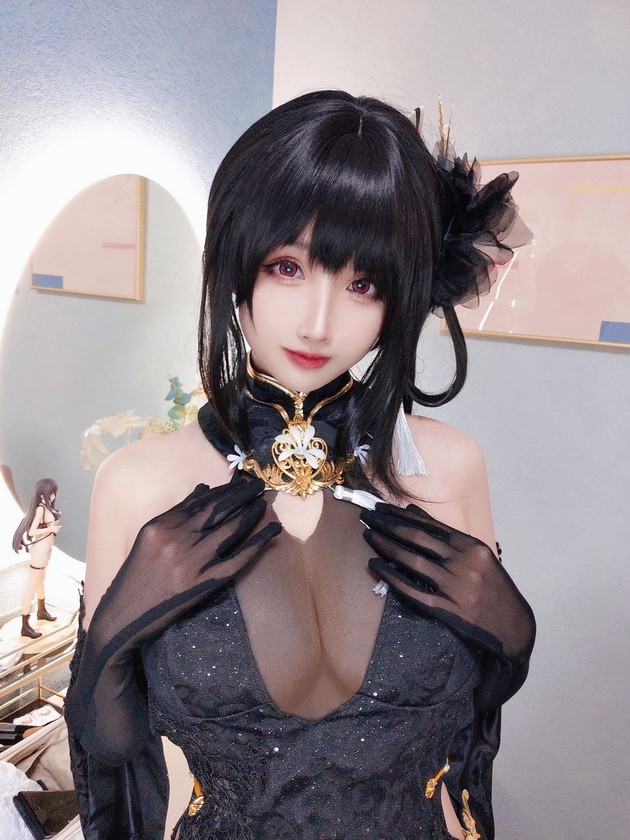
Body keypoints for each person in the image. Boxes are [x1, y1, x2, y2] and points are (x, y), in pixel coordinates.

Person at [64, 90, 535, 840]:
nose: (319, 323)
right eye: (288, 267)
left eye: (363, 285)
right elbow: (113, 752)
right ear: (236, 264)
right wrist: (113, 639)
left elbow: (462, 735)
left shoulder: (449, 467)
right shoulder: (137, 485)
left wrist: (512, 643)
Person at [12, 477, 61, 638]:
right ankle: (25, 625)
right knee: (32, 585)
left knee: (41, 580)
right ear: (42, 494)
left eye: (54, 493)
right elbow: (32, 532)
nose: (53, 496)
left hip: (47, 550)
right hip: (39, 551)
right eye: (51, 493)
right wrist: (50, 529)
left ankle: (41, 611)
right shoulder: (40, 509)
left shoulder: (47, 508)